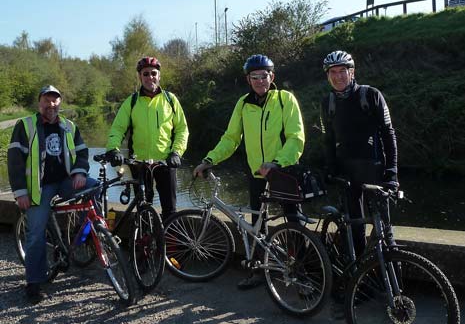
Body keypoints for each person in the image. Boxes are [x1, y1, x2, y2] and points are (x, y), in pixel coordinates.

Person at [193, 54, 305, 289]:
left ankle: (303, 273)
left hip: (283, 170)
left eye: (264, 76)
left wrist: (277, 162)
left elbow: (296, 137)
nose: (260, 81)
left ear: (272, 76)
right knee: (258, 222)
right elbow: (231, 138)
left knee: (294, 220)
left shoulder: (285, 100)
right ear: (248, 79)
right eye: (254, 77)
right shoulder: (243, 104)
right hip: (256, 173)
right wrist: (209, 159)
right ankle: (259, 270)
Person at [8, 85, 98, 304]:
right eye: (47, 100)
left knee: (95, 186)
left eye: (55, 100)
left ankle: (82, 236)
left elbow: (82, 152)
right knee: (36, 234)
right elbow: (15, 160)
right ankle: (34, 283)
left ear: (60, 103)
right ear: (39, 102)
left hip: (65, 181)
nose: (51, 104)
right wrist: (21, 192)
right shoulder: (25, 125)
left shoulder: (69, 126)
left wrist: (79, 171)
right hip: (39, 188)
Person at [320, 50, 399, 258]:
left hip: (374, 169)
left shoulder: (371, 95)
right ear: (328, 75)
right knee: (354, 230)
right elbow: (328, 139)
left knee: (385, 231)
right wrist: (330, 168)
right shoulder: (327, 102)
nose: (338, 76)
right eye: (332, 72)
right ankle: (360, 283)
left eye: (342, 71)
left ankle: (392, 287)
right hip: (347, 173)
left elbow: (389, 135)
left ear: (352, 72)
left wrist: (392, 173)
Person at [106, 56, 189, 221]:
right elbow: (117, 128)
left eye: (153, 73)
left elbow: (182, 129)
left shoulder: (170, 100)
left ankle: (167, 246)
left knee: (170, 211)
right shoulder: (132, 102)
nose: (150, 77)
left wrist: (176, 152)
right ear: (140, 77)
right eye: (145, 74)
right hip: (140, 164)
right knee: (143, 209)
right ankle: (144, 244)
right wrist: (113, 149)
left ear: (159, 76)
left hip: (166, 162)